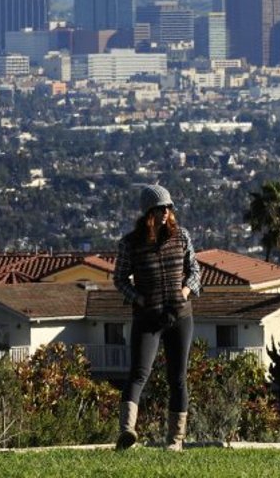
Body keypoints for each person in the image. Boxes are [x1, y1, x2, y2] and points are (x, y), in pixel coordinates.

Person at [113, 184, 202, 452]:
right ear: (149, 212)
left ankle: (175, 440)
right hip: (147, 317)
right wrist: (139, 299)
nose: (166, 212)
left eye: (169, 208)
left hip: (180, 316)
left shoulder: (182, 237)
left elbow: (194, 270)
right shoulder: (131, 244)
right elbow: (119, 279)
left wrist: (185, 292)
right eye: (161, 208)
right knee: (139, 373)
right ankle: (127, 431)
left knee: (178, 377)